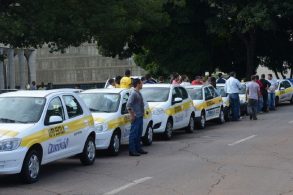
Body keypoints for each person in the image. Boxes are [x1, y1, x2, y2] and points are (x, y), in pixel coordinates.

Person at [126, 79, 147, 156]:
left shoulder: (138, 93)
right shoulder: (133, 93)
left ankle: (138, 148)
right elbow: (128, 105)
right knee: (133, 134)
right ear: (138, 84)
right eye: (141, 83)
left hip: (140, 116)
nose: (142, 85)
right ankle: (132, 150)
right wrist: (132, 115)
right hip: (136, 117)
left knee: (138, 134)